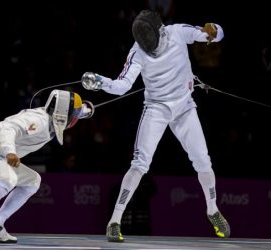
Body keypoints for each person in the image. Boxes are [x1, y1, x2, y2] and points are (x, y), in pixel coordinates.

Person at [81, 9, 230, 242]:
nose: (151, 48)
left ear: (161, 31)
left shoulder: (178, 32)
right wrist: (100, 82)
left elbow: (216, 36)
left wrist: (214, 29)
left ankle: (212, 210)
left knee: (203, 161)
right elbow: (122, 86)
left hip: (184, 108)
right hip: (156, 109)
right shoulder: (137, 51)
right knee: (139, 164)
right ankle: (114, 221)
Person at [0, 89, 94, 246]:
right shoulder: (39, 120)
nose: (75, 118)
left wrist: (87, 109)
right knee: (8, 178)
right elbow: (9, 128)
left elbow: (78, 111)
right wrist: (10, 152)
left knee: (32, 180)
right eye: (74, 115)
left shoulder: (54, 116)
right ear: (62, 113)